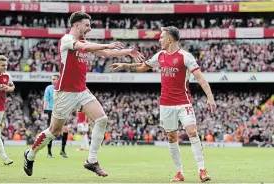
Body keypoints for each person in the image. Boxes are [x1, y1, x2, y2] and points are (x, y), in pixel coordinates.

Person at [23, 11, 144, 177]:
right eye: (87, 25)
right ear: (76, 25)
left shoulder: (84, 41)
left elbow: (106, 54)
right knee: (55, 130)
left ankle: (91, 160)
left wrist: (128, 51)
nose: (90, 28)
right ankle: (30, 155)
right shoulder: (67, 39)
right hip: (64, 93)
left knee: (102, 119)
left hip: (81, 91)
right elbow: (85, 47)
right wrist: (107, 44)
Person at [109, 26, 216, 182]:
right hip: (165, 104)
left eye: (161, 37)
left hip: (183, 102)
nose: (159, 40)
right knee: (172, 137)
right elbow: (142, 67)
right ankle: (179, 173)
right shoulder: (160, 56)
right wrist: (125, 65)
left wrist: (210, 97)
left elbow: (200, 78)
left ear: (170, 39)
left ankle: (202, 170)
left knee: (192, 132)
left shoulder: (185, 57)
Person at [0, 55, 15, 165]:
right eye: (2, 66)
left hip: (0, 107)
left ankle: (5, 159)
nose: (5, 67)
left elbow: (12, 87)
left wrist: (8, 89)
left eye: (6, 65)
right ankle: (5, 157)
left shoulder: (7, 75)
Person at [43, 74, 68, 158]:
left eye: (54, 79)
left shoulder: (63, 88)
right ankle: (49, 152)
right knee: (51, 131)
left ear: (58, 80)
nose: (52, 80)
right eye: (52, 79)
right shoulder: (49, 88)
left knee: (65, 130)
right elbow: (46, 99)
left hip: (62, 110)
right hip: (51, 111)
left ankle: (63, 150)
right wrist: (45, 110)